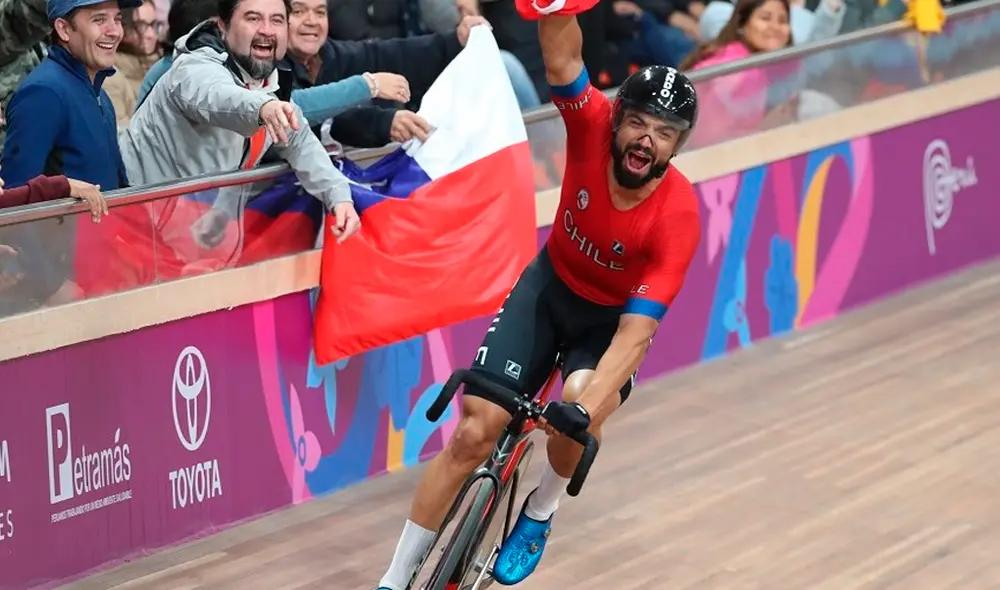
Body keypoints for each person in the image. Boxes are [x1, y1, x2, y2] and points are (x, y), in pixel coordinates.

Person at [373, 11, 703, 590]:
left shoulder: (677, 214)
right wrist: (555, 8)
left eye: (664, 132)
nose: (646, 140)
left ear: (677, 146)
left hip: (608, 325)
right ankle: (395, 580)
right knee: (473, 433)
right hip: (550, 288)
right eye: (638, 123)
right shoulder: (591, 125)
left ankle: (540, 510)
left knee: (577, 404)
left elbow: (636, 334)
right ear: (617, 119)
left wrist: (584, 412)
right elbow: (564, 58)